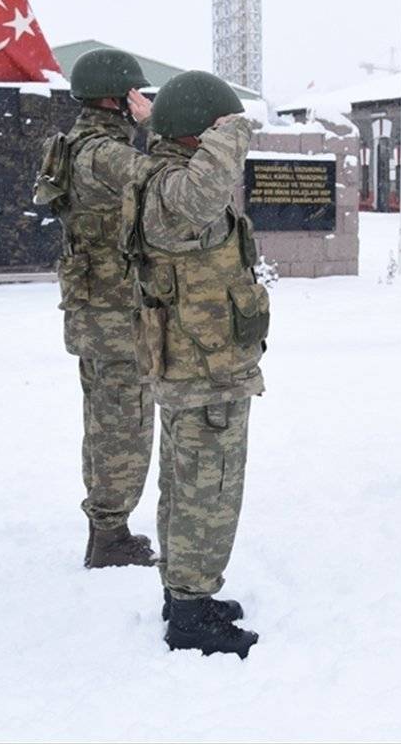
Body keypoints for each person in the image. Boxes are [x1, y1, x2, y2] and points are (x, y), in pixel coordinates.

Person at [121, 70, 268, 657]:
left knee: (185, 486)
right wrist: (232, 131)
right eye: (215, 131)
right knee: (210, 490)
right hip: (204, 372)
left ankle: (185, 593)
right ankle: (191, 615)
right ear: (198, 136)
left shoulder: (161, 177)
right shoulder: (176, 191)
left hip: (195, 363)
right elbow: (205, 193)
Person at [37, 48, 158, 569]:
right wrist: (157, 129)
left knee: (106, 420)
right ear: (116, 97)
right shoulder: (105, 153)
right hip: (116, 312)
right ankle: (110, 536)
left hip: (96, 307)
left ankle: (107, 528)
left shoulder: (75, 144)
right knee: (124, 425)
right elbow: (170, 186)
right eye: (135, 93)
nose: (141, 101)